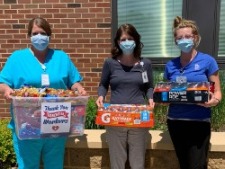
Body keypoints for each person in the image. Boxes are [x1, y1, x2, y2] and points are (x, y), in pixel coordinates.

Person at [0, 17, 86, 169]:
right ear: (29, 36)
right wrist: (7, 90)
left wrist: (78, 88)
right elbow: (3, 82)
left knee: (54, 165)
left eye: (43, 33)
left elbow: (74, 81)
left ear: (49, 36)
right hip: (27, 126)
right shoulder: (17, 58)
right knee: (28, 166)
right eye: (35, 33)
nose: (39, 37)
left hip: (56, 123)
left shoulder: (61, 57)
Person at [164, 16, 222, 169]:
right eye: (180, 37)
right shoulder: (170, 65)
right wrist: (162, 98)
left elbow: (217, 93)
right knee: (184, 163)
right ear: (176, 40)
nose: (184, 40)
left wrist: (212, 101)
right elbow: (166, 91)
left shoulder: (208, 61)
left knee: (197, 165)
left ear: (195, 37)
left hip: (199, 121)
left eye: (188, 36)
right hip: (175, 121)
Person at [96, 23, 154, 169]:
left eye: (130, 38)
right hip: (116, 117)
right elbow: (103, 84)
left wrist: (151, 98)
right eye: (123, 39)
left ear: (136, 40)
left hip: (139, 117)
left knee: (137, 161)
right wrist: (101, 96)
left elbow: (149, 86)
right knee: (117, 161)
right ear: (117, 42)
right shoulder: (110, 63)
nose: (126, 42)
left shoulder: (145, 64)